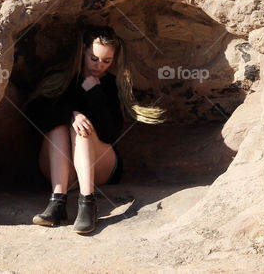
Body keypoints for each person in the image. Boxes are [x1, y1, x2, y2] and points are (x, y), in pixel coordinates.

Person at [24, 26, 163, 234]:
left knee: (82, 129)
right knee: (60, 127)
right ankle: (57, 203)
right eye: (93, 58)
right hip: (59, 167)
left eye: (107, 61)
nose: (99, 66)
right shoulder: (60, 78)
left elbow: (111, 134)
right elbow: (34, 116)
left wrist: (95, 94)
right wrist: (71, 115)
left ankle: (87, 203)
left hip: (100, 165)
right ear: (83, 52)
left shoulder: (108, 84)